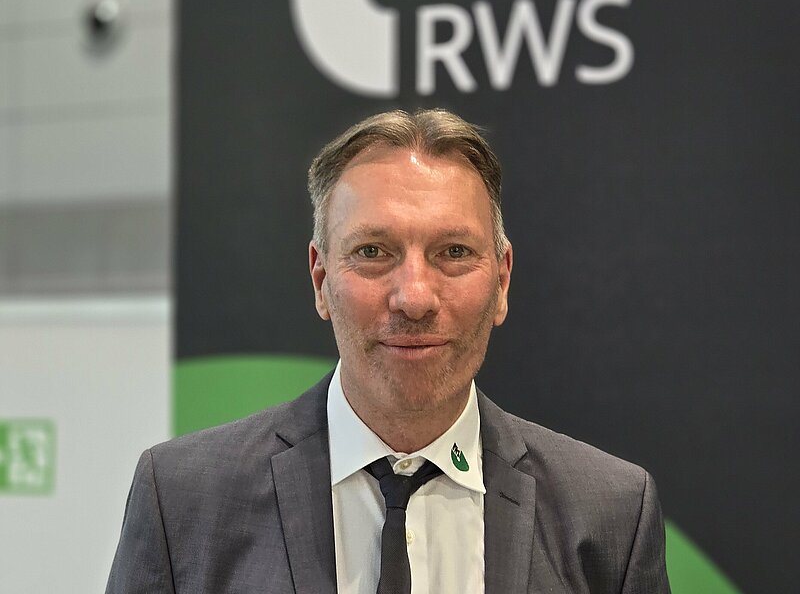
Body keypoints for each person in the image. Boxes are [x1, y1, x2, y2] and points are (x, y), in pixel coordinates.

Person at [106, 109, 671, 593]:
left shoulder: (610, 514)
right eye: (373, 251)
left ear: (501, 281)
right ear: (320, 278)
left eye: (454, 251)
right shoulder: (183, 500)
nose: (415, 298)